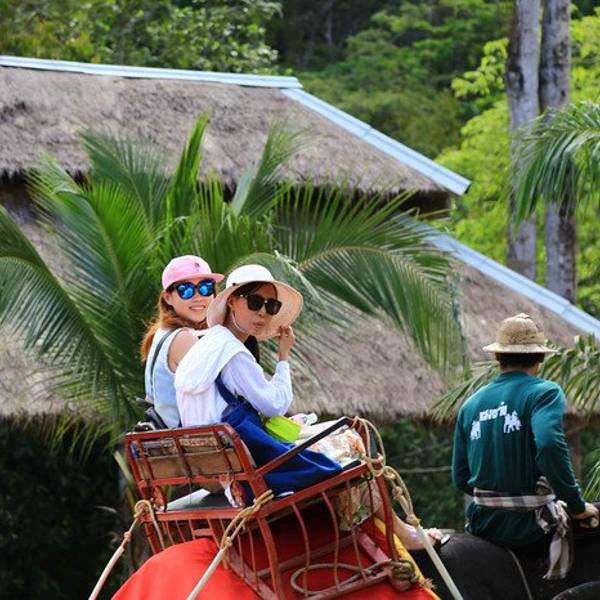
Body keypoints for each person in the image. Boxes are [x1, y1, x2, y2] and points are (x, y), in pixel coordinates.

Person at [175, 263, 442, 551]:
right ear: (232, 302)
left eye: (271, 306)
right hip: (253, 475)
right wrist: (284, 356)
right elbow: (276, 405)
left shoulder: (205, 348)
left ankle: (387, 530)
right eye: (254, 302)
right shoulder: (234, 354)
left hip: (227, 470)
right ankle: (398, 532)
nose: (263, 312)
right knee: (351, 441)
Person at [452, 313, 599, 579]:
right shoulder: (544, 392)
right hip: (529, 528)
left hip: (482, 523)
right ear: (540, 357)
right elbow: (549, 445)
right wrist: (576, 505)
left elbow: (461, 477)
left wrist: (497, 498)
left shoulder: (470, 404)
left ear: (498, 357)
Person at [140, 255, 224, 428]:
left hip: (167, 432)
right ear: (168, 297)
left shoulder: (162, 331)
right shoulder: (183, 338)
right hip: (184, 438)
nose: (198, 297)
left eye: (206, 287)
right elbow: (218, 396)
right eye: (186, 290)